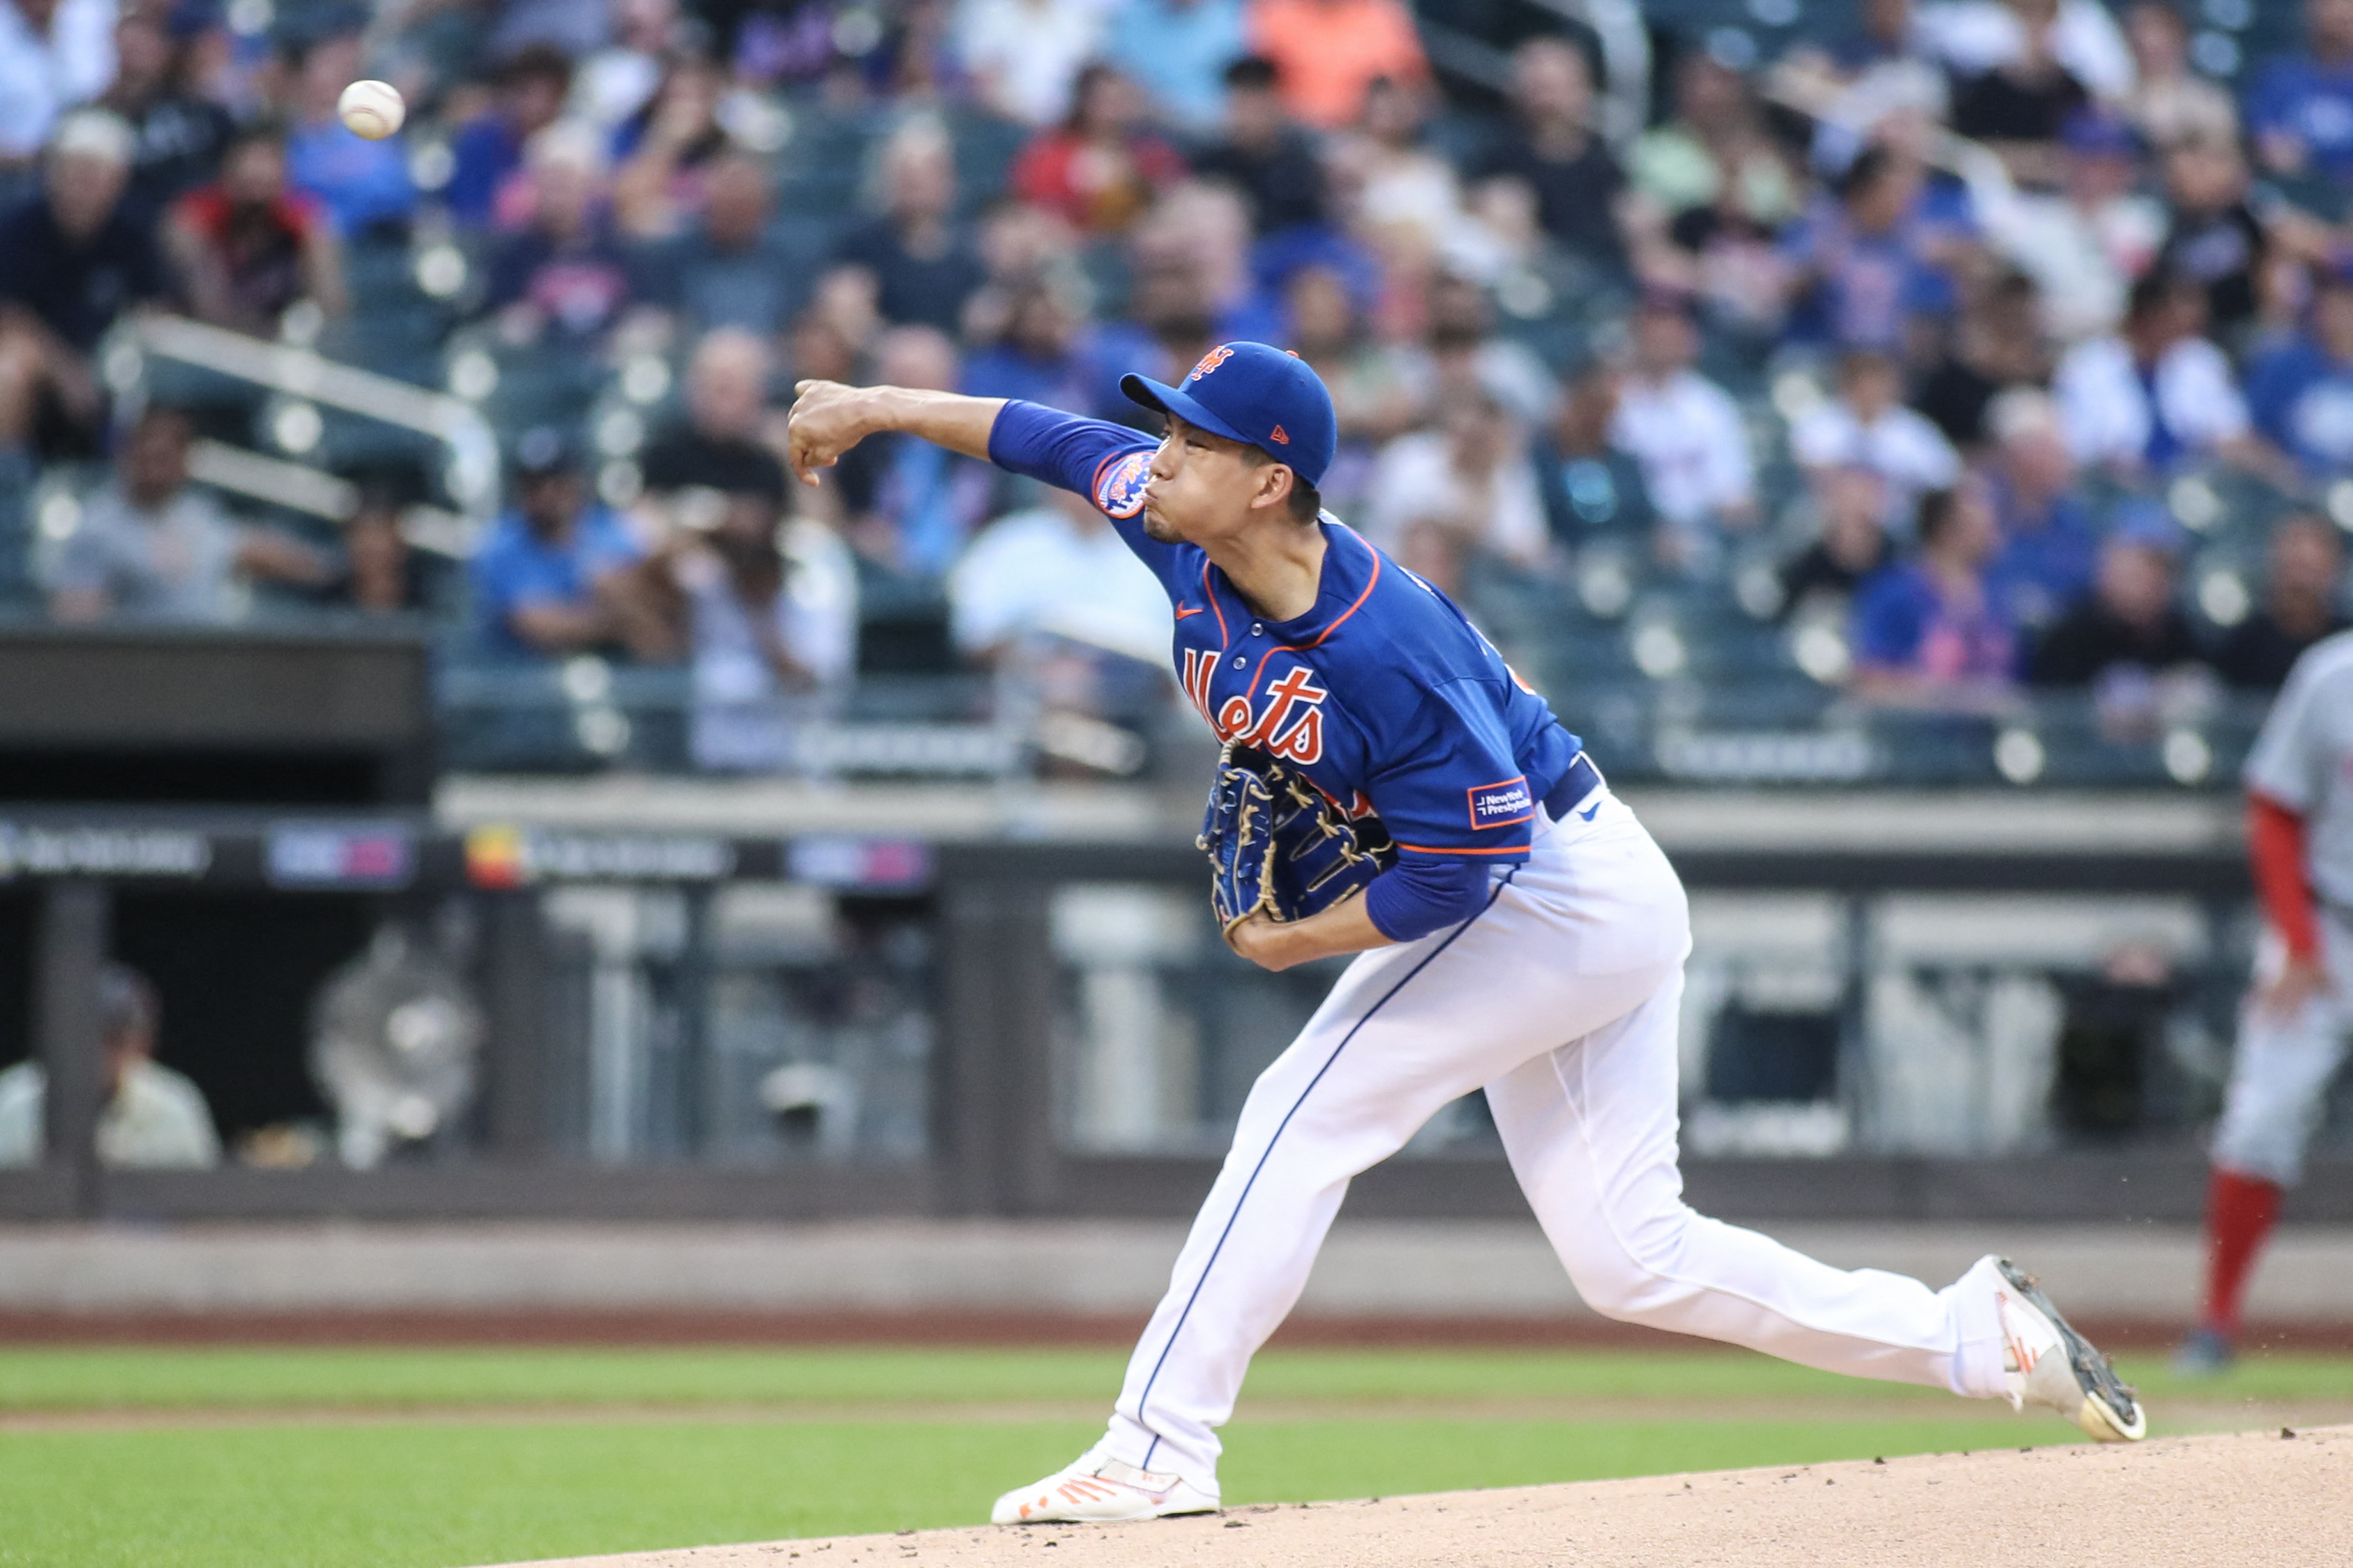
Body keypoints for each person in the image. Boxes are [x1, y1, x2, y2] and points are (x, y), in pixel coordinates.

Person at [784, 337, 2147, 1525]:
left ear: (1269, 479)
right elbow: (1050, 437)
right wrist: (873, 403)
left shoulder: (1389, 652)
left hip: (1548, 887)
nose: (1159, 456)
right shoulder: (1175, 521)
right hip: (1588, 888)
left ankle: (1153, 1449)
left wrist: (1291, 940)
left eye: (1193, 440)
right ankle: (1978, 1337)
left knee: (1295, 1109)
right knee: (1634, 1256)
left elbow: (1466, 865)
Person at [2173, 627, 2353, 1374]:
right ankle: (2214, 1323)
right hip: (2324, 921)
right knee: (2259, 1120)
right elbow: (2273, 808)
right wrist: (2297, 940)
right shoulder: (2331, 672)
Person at [607, 470, 856, 772]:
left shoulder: (815, 584)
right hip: (718, 765)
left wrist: (760, 611)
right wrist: (700, 532)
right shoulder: (713, 577)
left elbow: (806, 679)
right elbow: (629, 588)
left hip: (793, 768)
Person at [46, 404, 328, 621]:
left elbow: (248, 549)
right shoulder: (96, 528)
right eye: (149, 456)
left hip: (203, 670)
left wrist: (329, 570)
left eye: (167, 457)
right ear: (127, 454)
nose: (157, 469)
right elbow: (77, 621)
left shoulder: (197, 514)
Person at [0, 109, 167, 463]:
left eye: (93, 175)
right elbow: (11, 317)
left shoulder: (135, 235)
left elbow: (153, 311)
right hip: (43, 364)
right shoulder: (19, 229)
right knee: (8, 372)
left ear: (117, 181)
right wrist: (66, 373)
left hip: (113, 362)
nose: (80, 186)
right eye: (71, 171)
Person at [0, 963, 220, 1169]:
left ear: (143, 1045)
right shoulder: (14, 1100)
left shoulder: (174, 1106)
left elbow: (208, 1204)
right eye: (84, 1038)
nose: (97, 1054)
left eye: (113, 1041)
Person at [2052, 269, 2262, 478]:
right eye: (2183, 308)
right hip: (2118, 488)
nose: (2196, 317)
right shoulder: (2087, 367)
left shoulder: (2201, 360)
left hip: (2198, 486)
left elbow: (2233, 432)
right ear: (2150, 313)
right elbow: (2081, 449)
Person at [468, 425, 646, 659]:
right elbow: (535, 624)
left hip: (616, 666)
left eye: (559, 483)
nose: (548, 495)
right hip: (524, 675)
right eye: (535, 486)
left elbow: (643, 598)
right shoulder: (499, 544)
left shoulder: (608, 529)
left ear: (579, 482)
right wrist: (622, 623)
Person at [165, 122, 347, 335]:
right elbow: (211, 309)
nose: (260, 172)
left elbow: (333, 304)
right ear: (228, 168)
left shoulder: (305, 219)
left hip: (276, 340)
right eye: (251, 160)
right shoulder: (193, 218)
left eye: (271, 160)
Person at [1609, 293, 1757, 556]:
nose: (1661, 348)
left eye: (1670, 340)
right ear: (1636, 340)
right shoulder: (1615, 402)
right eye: (1654, 339)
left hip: (1704, 534)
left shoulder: (1712, 405)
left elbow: (1733, 493)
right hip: (1634, 535)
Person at [1849, 480, 2018, 707]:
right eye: (1982, 526)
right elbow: (1870, 679)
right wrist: (1947, 695)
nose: (1993, 535)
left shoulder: (1995, 595)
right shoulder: (1896, 594)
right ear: (1947, 530)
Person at [1467, 37, 1630, 271]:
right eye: (1537, 86)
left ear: (1583, 90)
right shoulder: (1492, 155)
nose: (1545, 100)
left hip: (1591, 278)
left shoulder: (1605, 169)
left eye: (1554, 87)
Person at [481, 121, 640, 344]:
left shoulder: (620, 251)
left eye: (567, 181)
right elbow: (497, 320)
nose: (557, 193)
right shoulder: (511, 256)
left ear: (590, 185)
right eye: (549, 181)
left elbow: (645, 316)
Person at [829, 119, 988, 335]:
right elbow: (844, 307)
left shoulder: (972, 247)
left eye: (925, 173)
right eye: (905, 173)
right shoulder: (860, 244)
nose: (914, 183)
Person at [99, 0, 236, 222]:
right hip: (125, 222)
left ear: (165, 48)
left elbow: (232, 167)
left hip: (199, 219)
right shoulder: (95, 116)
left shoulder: (203, 110)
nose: (137, 53)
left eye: (146, 43)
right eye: (130, 44)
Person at [1011, 63, 1188, 235]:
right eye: (1108, 100)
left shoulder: (1153, 152)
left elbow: (1172, 201)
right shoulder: (1051, 154)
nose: (1118, 109)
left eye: (1125, 99)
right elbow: (1036, 209)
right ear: (1084, 104)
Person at [1980, 386, 2098, 637]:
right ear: (2014, 455)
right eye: (2049, 450)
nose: (2064, 460)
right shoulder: (1979, 514)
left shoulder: (2077, 523)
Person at [1791, 349, 1962, 521]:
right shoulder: (1818, 424)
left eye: (1878, 383)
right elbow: (1810, 477)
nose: (1872, 391)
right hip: (1832, 522)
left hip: (1901, 524)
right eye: (1864, 383)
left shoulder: (1914, 430)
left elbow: (1947, 477)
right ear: (1848, 386)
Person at [640, 327, 790, 498]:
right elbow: (641, 514)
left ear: (759, 393)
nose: (716, 401)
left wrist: (793, 464)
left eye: (728, 389)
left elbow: (814, 520)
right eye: (707, 386)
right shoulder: (667, 451)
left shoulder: (774, 456)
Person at [1190, 55, 1327, 236]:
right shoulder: (1209, 166)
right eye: (1239, 105)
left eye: (1255, 106)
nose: (1244, 117)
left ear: (1276, 105)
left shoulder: (1305, 166)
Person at [442, 43, 574, 229]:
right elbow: (470, 215)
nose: (537, 106)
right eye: (526, 92)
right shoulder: (478, 145)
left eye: (549, 96)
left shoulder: (573, 149)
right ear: (508, 93)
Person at [2212, 515, 2348, 692]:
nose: (2301, 579)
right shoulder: (2241, 644)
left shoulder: (2345, 643)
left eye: (2309, 568)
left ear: (2335, 568)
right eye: (2295, 564)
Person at [1243, 0, 1426, 130]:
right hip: (1293, 132)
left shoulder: (1382, 13)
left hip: (1366, 133)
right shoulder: (1273, 12)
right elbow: (1254, 84)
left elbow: (1412, 83)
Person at [1534, 353, 1653, 548]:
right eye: (1592, 405)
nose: (1600, 417)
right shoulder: (1539, 462)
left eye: (1607, 408)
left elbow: (1647, 523)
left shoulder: (1625, 465)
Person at [2246, 261, 2353, 478]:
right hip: (2291, 492)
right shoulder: (2284, 364)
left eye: (2345, 300)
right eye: (2329, 299)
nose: (2336, 311)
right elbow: (2250, 433)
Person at [2244, 0, 2353, 188]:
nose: (2338, 15)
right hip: (2284, 194)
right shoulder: (2278, 76)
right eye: (2329, 4)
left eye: (2347, 8)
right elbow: (2267, 145)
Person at [1105, 0, 1247, 137]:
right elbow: (1120, 77)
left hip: (1215, 133)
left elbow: (1241, 91)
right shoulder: (1133, 18)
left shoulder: (1232, 19)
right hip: (1147, 130)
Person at [0, 0, 114, 167]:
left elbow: (90, 88)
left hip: (66, 156)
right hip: (9, 158)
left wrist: (55, 31)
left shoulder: (87, 15)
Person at [1779, 464, 1894, 616]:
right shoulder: (1806, 566)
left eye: (1866, 494)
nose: (1857, 504)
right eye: (1849, 495)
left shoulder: (1901, 561)